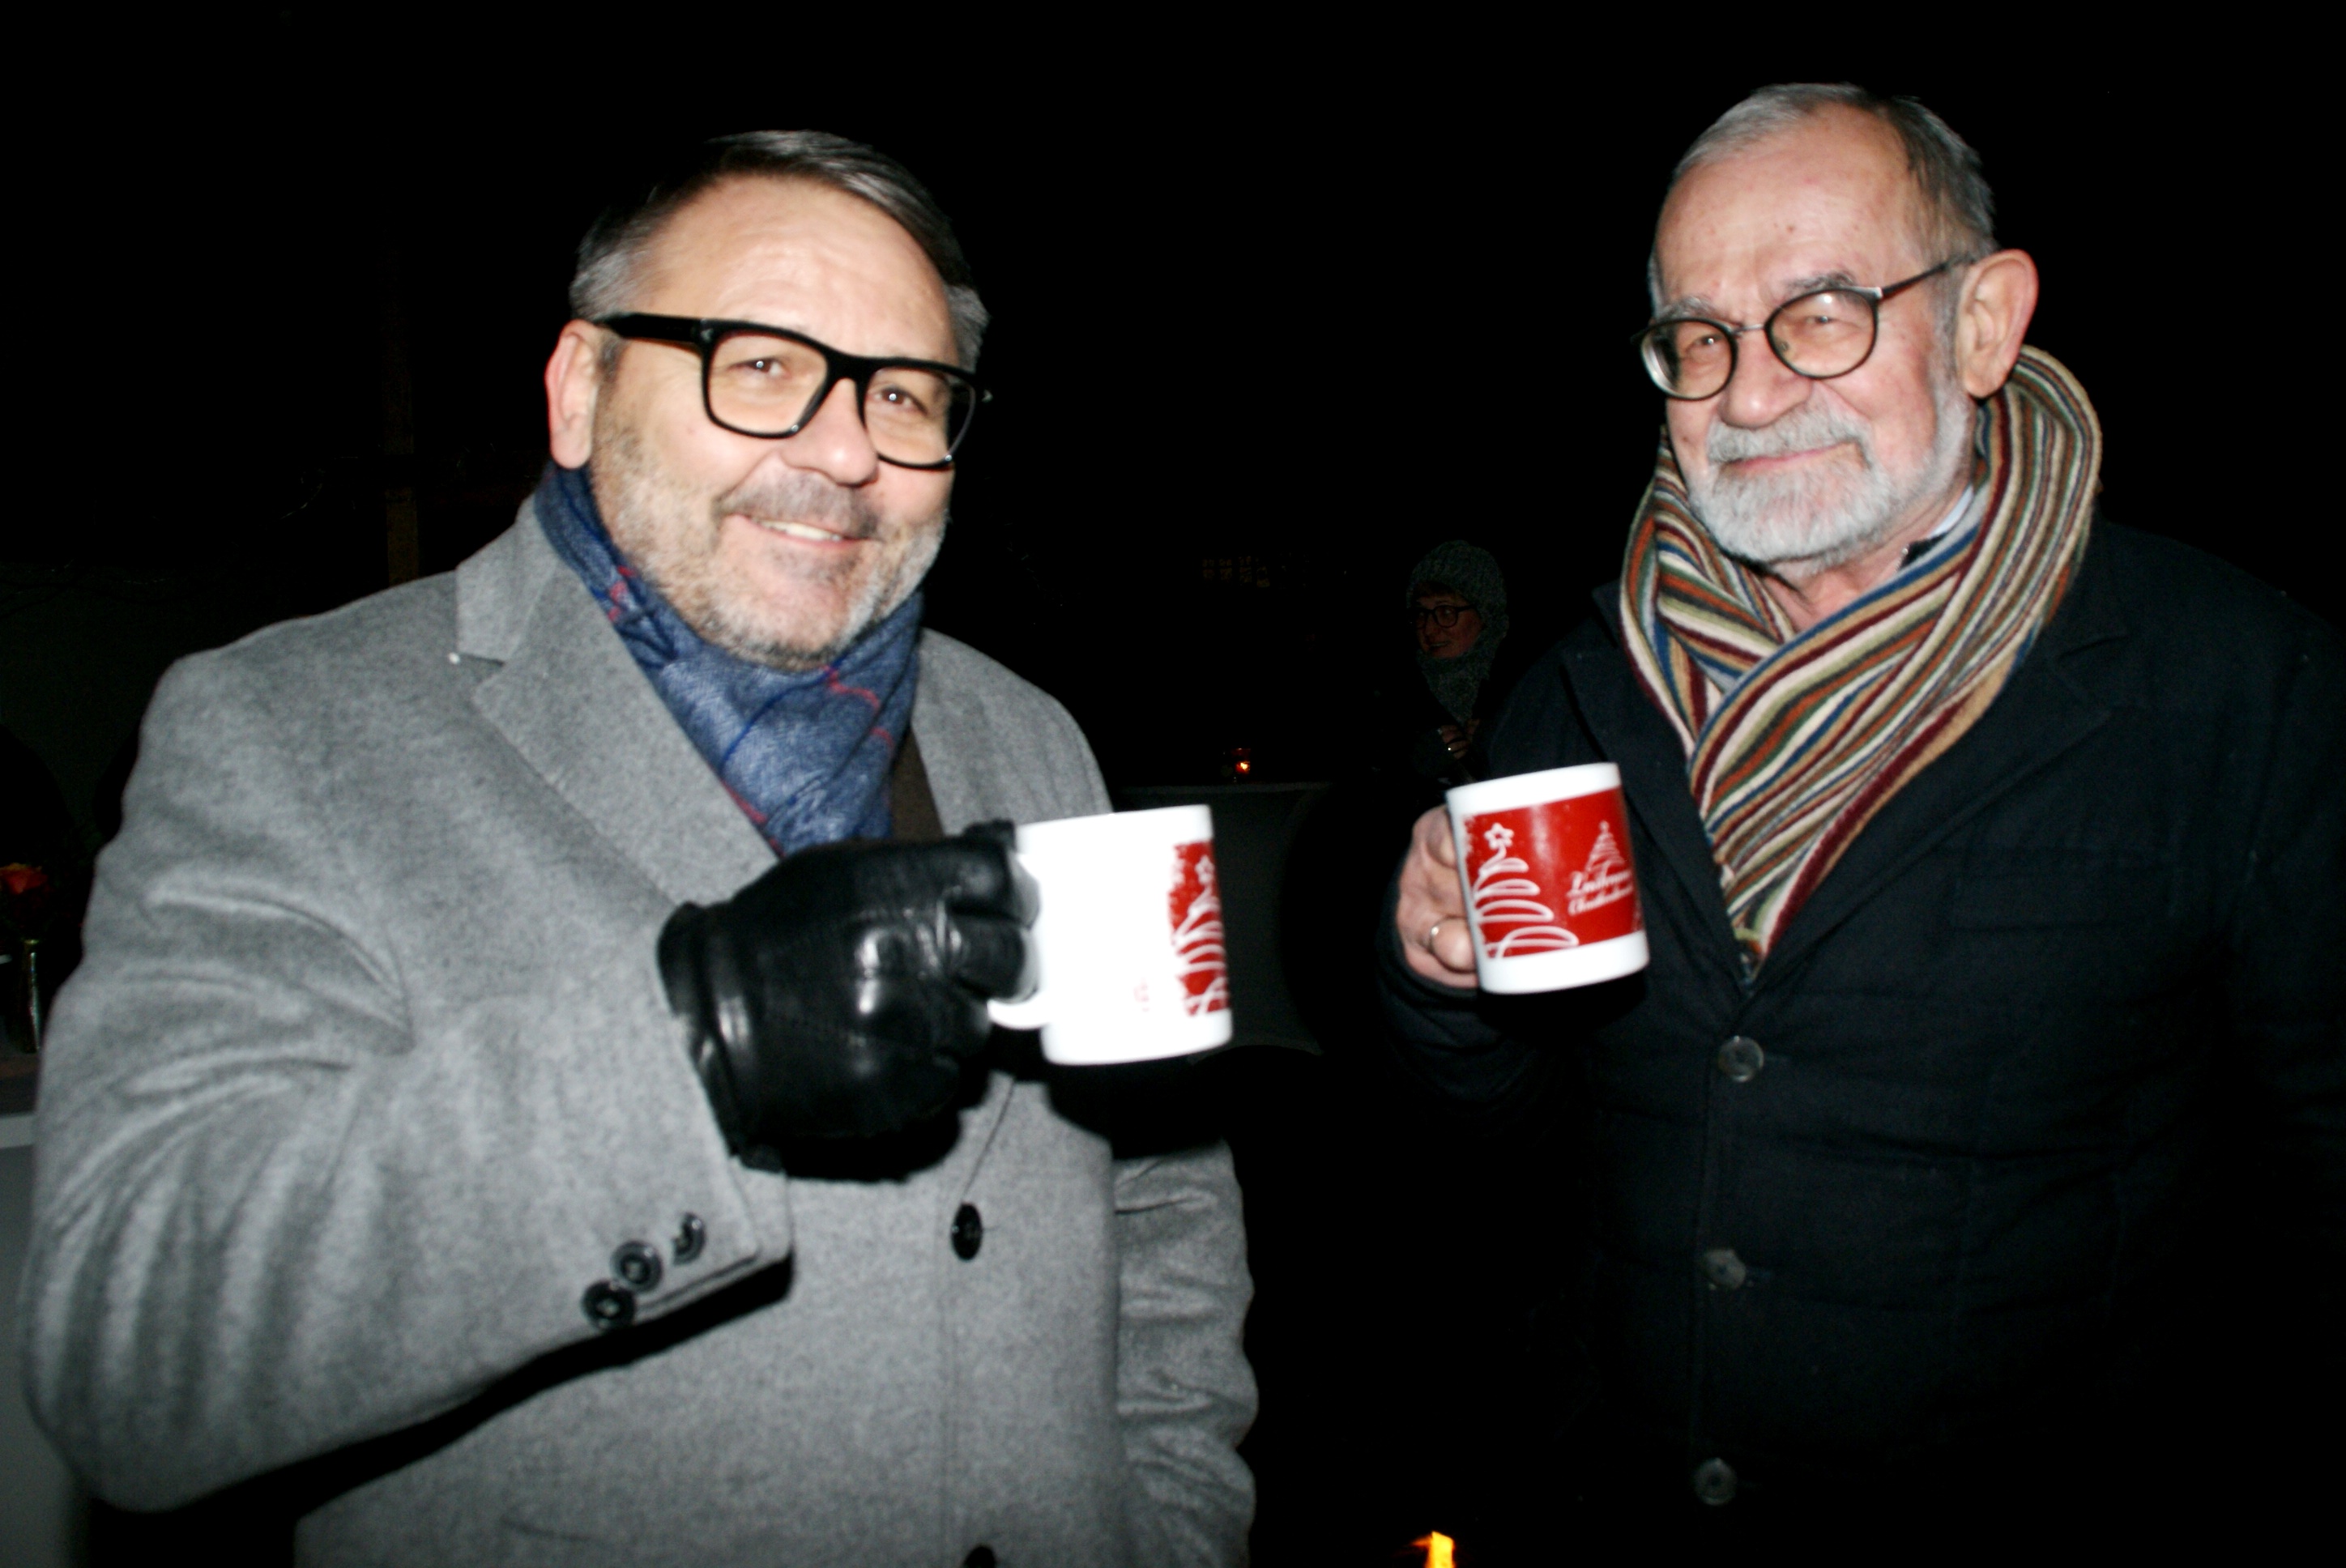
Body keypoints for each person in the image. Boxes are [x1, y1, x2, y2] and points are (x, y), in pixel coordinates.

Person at [22, 132, 1255, 1565]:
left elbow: (1160, 1185)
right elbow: (132, 1348)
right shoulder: (294, 729)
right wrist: (699, 1046)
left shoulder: (1027, 734)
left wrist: (1174, 1523)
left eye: (904, 393)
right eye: (761, 364)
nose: (846, 450)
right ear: (579, 389)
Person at [1380, 85, 2343, 1528]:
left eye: (1821, 313)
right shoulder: (1582, 690)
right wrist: (1443, 984)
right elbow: (1502, 1159)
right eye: (1699, 337)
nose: (1749, 395)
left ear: (1984, 324)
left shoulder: (2236, 686)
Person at [1399, 540, 1524, 784]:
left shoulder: (1525, 686)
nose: (1429, 629)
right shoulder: (1397, 694)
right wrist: (1409, 769)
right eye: (1420, 613)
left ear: (1485, 614)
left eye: (1446, 612)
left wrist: (1503, 745)